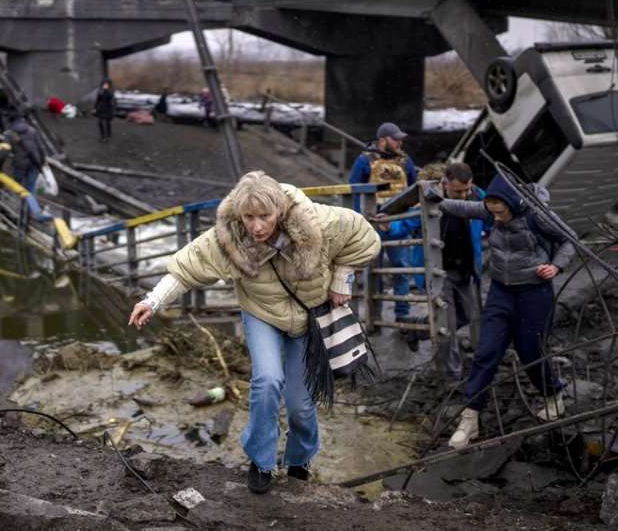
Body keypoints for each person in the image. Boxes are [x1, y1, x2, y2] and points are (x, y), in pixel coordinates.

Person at [128, 171, 380, 494]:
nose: (257, 226)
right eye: (249, 217)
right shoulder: (229, 236)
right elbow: (188, 265)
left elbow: (365, 236)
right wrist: (153, 301)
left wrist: (343, 277)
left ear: (280, 210)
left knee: (300, 403)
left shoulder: (318, 221)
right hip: (262, 314)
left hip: (307, 318)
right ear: (239, 214)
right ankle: (261, 460)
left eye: (265, 216)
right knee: (267, 380)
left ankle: (300, 459)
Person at [440, 174, 574, 449]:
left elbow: (569, 240)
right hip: (501, 291)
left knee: (531, 352)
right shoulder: (491, 209)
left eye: (501, 214)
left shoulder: (539, 215)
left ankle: (553, 395)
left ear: (514, 203)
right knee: (486, 352)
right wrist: (436, 199)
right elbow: (463, 208)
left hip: (534, 292)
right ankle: (470, 418)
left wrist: (556, 267)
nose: (496, 219)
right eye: (492, 213)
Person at [378, 162, 485, 370]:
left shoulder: (477, 196)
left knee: (467, 315)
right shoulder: (430, 199)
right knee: (448, 324)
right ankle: (449, 376)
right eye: (458, 191)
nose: (464, 195)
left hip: (465, 269)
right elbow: (409, 223)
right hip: (439, 272)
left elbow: (496, 208)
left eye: (467, 190)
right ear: (445, 183)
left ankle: (416, 330)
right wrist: (389, 227)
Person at [348, 122, 418, 329]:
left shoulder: (405, 161)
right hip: (373, 222)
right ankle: (374, 318)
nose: (400, 142)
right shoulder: (364, 160)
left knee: (401, 269)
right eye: (396, 139)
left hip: (398, 221)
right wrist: (358, 222)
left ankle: (402, 315)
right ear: (383, 140)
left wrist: (410, 222)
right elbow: (354, 191)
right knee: (372, 271)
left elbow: (413, 189)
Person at [0, 115, 44, 194]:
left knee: (17, 186)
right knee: (30, 187)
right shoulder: (32, 130)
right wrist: (41, 162)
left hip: (20, 163)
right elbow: (40, 147)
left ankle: (17, 204)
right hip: (35, 162)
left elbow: (4, 152)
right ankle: (30, 205)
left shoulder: (9, 133)